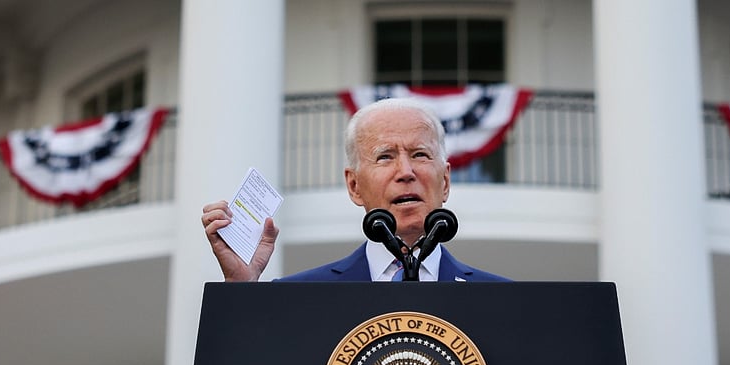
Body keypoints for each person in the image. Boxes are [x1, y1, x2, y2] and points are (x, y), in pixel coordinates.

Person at [201, 97, 508, 282]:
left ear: (445, 182)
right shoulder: (301, 298)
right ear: (354, 185)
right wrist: (240, 291)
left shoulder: (502, 300)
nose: (405, 172)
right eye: (385, 156)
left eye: (420, 155)